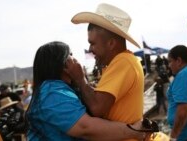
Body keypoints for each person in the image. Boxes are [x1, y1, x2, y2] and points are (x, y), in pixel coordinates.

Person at [26, 41, 146, 141]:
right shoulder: (51, 92)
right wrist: (135, 131)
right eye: (71, 55)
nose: (75, 59)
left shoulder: (60, 89)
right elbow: (86, 128)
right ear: (64, 64)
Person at [70, 3, 144, 139]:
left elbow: (97, 108)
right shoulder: (125, 61)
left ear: (111, 43)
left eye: (92, 43)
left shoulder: (123, 61)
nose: (90, 49)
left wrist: (80, 79)